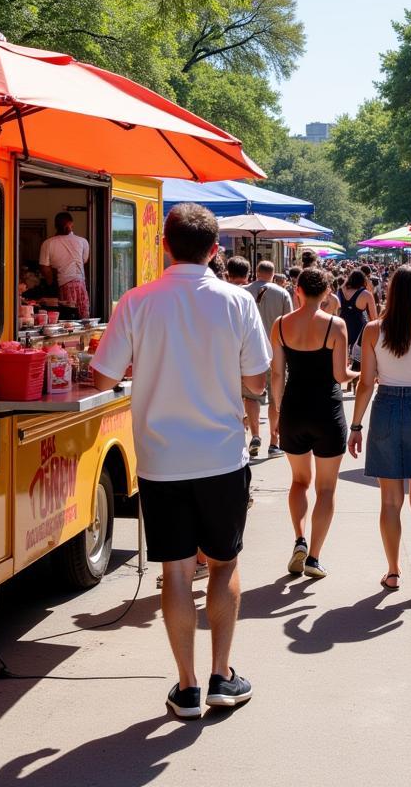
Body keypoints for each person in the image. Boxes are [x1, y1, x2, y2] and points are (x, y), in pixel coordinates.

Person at [91, 203, 271, 719]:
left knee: (175, 573)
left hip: (160, 460)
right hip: (220, 456)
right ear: (216, 250)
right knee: (224, 563)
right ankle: (221, 676)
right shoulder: (237, 302)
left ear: (163, 245)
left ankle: (187, 686)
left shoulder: (136, 300)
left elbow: (103, 378)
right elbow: (257, 382)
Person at [349, 265, 411, 594]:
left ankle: (392, 572)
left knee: (390, 503)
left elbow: (365, 384)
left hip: (385, 408)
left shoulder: (373, 331)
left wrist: (356, 425)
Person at [271, 267, 349, 579]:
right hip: (327, 411)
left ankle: (299, 539)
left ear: (297, 291)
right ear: (328, 293)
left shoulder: (280, 325)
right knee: (326, 488)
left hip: (293, 408)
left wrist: (278, 411)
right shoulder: (336, 325)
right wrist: (360, 374)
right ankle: (314, 557)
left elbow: (277, 374)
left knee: (299, 481)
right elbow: (341, 376)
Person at [247, 259, 293, 458]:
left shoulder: (244, 291)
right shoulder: (282, 293)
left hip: (250, 351)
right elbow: (289, 323)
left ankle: (256, 434)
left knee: (250, 396)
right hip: (276, 352)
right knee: (276, 398)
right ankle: (275, 443)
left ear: (256, 273)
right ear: (273, 274)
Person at [225, 255, 267, 460]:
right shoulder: (246, 297)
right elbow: (258, 385)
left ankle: (243, 427)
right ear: (248, 274)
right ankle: (256, 433)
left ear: (227, 273)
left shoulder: (220, 295)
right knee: (252, 396)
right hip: (254, 356)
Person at [39, 211, 91, 318]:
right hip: (80, 284)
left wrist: (51, 283)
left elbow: (44, 268)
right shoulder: (82, 242)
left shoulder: (48, 243)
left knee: (68, 318)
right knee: (83, 318)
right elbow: (84, 260)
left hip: (64, 285)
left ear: (55, 226)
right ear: (72, 224)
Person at [338, 269, 378, 365]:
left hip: (341, 325)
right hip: (358, 327)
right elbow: (374, 317)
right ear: (363, 280)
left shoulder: (341, 290)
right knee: (357, 359)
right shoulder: (366, 294)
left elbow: (338, 308)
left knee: (342, 355)